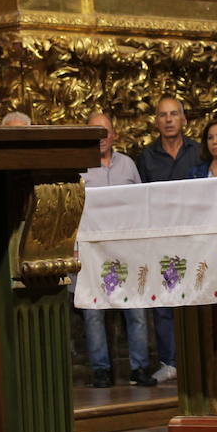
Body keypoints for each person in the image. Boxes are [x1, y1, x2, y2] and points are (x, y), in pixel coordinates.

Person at [78, 112, 154, 388]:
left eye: (105, 131)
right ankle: (100, 369)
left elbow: (142, 203)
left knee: (135, 307)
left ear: (113, 135)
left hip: (126, 248)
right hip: (93, 250)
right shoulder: (78, 167)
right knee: (93, 310)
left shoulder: (128, 165)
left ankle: (140, 367)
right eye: (94, 132)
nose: (100, 137)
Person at [135, 96, 202, 383]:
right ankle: (168, 361)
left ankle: (198, 358)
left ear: (184, 119)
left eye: (175, 114)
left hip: (194, 235)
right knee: (163, 302)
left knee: (197, 296)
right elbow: (140, 199)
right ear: (156, 121)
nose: (169, 119)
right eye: (163, 115)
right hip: (161, 237)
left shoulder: (198, 152)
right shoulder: (146, 157)